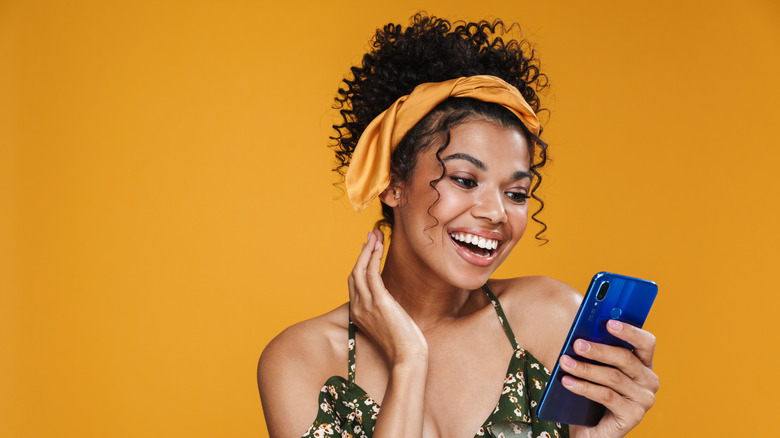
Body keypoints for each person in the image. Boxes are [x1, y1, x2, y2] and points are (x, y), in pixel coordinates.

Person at [257, 14, 659, 438]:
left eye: (516, 193)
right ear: (393, 184)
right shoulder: (303, 361)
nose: (497, 212)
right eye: (465, 181)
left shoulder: (549, 319)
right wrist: (408, 361)